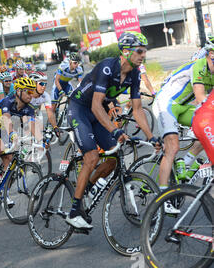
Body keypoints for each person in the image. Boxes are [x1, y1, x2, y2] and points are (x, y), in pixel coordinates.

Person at [66, 31, 159, 229]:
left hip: (96, 112)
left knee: (112, 159)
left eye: (145, 51)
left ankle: (87, 188)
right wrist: (115, 131)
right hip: (80, 109)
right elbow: (96, 106)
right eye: (139, 51)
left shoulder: (134, 74)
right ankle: (74, 211)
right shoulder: (107, 68)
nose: (143, 55)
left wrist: (151, 137)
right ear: (126, 51)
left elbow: (137, 109)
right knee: (91, 157)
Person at [152, 42, 214, 213]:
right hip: (166, 104)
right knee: (172, 146)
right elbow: (201, 97)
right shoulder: (199, 66)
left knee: (207, 126)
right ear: (210, 55)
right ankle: (163, 199)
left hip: (183, 107)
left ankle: (185, 162)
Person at [0, 77, 37, 207]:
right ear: (19, 92)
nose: (31, 95)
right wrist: (12, 135)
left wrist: (40, 140)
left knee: (10, 160)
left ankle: (3, 193)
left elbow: (32, 126)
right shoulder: (8, 101)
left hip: (2, 131)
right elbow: (6, 119)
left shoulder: (29, 108)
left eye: (33, 92)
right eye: (28, 91)